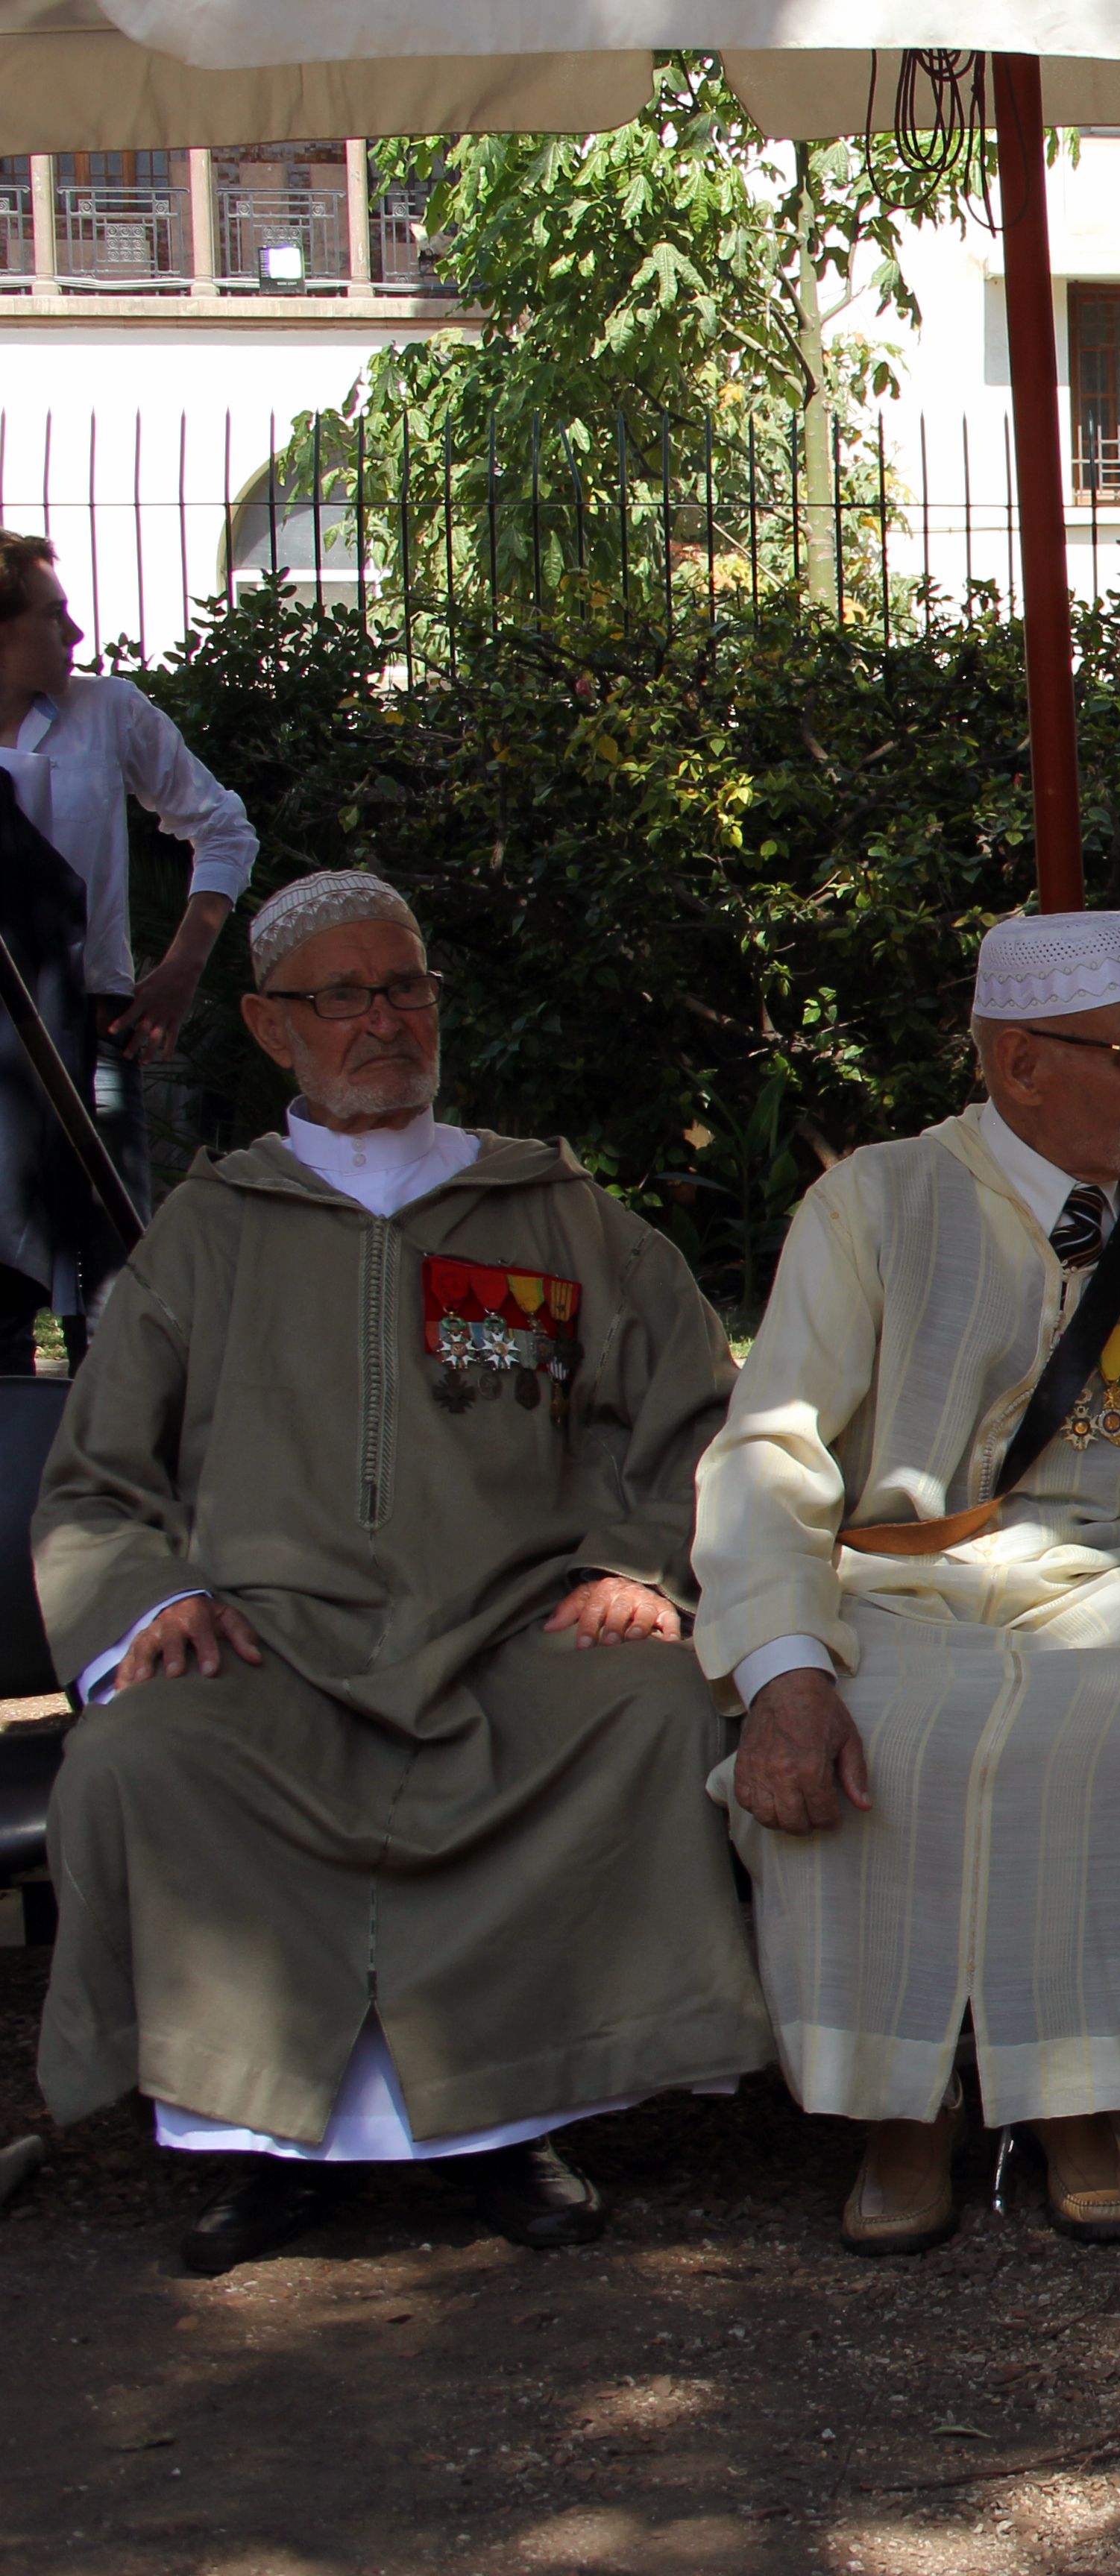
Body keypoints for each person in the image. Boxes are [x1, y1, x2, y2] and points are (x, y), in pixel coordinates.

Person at [31, 869, 770, 2276]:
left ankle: (514, 2124)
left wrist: (636, 1565)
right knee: (143, 1756)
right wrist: (151, 1604)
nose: (385, 1020)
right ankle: (257, 2153)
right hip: (266, 1645)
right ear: (267, 1025)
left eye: (407, 987)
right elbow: (98, 1476)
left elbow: (688, 1411)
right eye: (346, 996)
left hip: (508, 1633)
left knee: (645, 1709)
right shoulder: (210, 1231)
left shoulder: (549, 1211)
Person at [694, 909, 1120, 2255]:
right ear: (1019, 1065)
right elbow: (775, 1449)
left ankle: (1080, 2093)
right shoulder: (876, 1202)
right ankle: (896, 2106)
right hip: (894, 1583)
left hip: (1119, 1575)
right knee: (884, 1733)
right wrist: (785, 1671)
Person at [0, 532, 256, 1363]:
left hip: (92, 1026)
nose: (75, 635)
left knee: (113, 1285)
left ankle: (112, 1473)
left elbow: (220, 825)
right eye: (52, 616)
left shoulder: (105, 712)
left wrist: (183, 964)